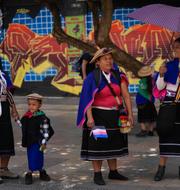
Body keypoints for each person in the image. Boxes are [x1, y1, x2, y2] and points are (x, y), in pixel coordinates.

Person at [77, 48, 134, 185]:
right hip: (98, 116)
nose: (109, 61)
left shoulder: (118, 75)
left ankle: (113, 172)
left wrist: (130, 114)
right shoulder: (92, 78)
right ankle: (97, 174)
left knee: (114, 143)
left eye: (110, 58)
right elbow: (86, 99)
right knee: (99, 144)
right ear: (98, 62)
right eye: (105, 59)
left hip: (115, 115)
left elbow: (125, 95)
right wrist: (90, 118)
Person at [154, 37, 180, 181]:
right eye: (174, 47)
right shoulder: (168, 65)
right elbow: (159, 87)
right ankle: (161, 168)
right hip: (169, 104)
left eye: (178, 47)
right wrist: (162, 74)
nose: (175, 50)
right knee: (165, 134)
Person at [21, 93, 54, 185]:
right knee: (31, 156)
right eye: (29, 104)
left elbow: (46, 131)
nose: (31, 107)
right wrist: (17, 120)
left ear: (40, 105)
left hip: (39, 142)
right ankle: (30, 172)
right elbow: (23, 125)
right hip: (29, 141)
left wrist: (44, 142)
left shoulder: (42, 118)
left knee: (38, 156)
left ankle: (41, 171)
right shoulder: (27, 116)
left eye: (34, 104)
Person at [0, 66, 19, 184]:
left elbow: (8, 93)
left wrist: (14, 109)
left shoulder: (3, 74)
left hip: (4, 109)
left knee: (6, 138)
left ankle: (3, 169)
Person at [135, 66, 157, 137]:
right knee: (152, 117)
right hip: (150, 102)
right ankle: (151, 130)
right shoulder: (153, 80)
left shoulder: (142, 81)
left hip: (141, 102)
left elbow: (141, 91)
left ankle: (143, 130)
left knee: (141, 117)